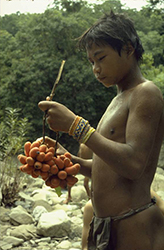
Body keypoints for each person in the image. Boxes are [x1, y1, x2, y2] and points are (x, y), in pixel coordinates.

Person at [38, 11, 164, 250]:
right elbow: (106, 169)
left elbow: (134, 164)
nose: (96, 68)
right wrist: (68, 161)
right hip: (106, 226)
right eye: (91, 62)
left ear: (128, 49)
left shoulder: (145, 92)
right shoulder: (118, 99)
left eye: (101, 58)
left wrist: (76, 126)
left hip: (134, 228)